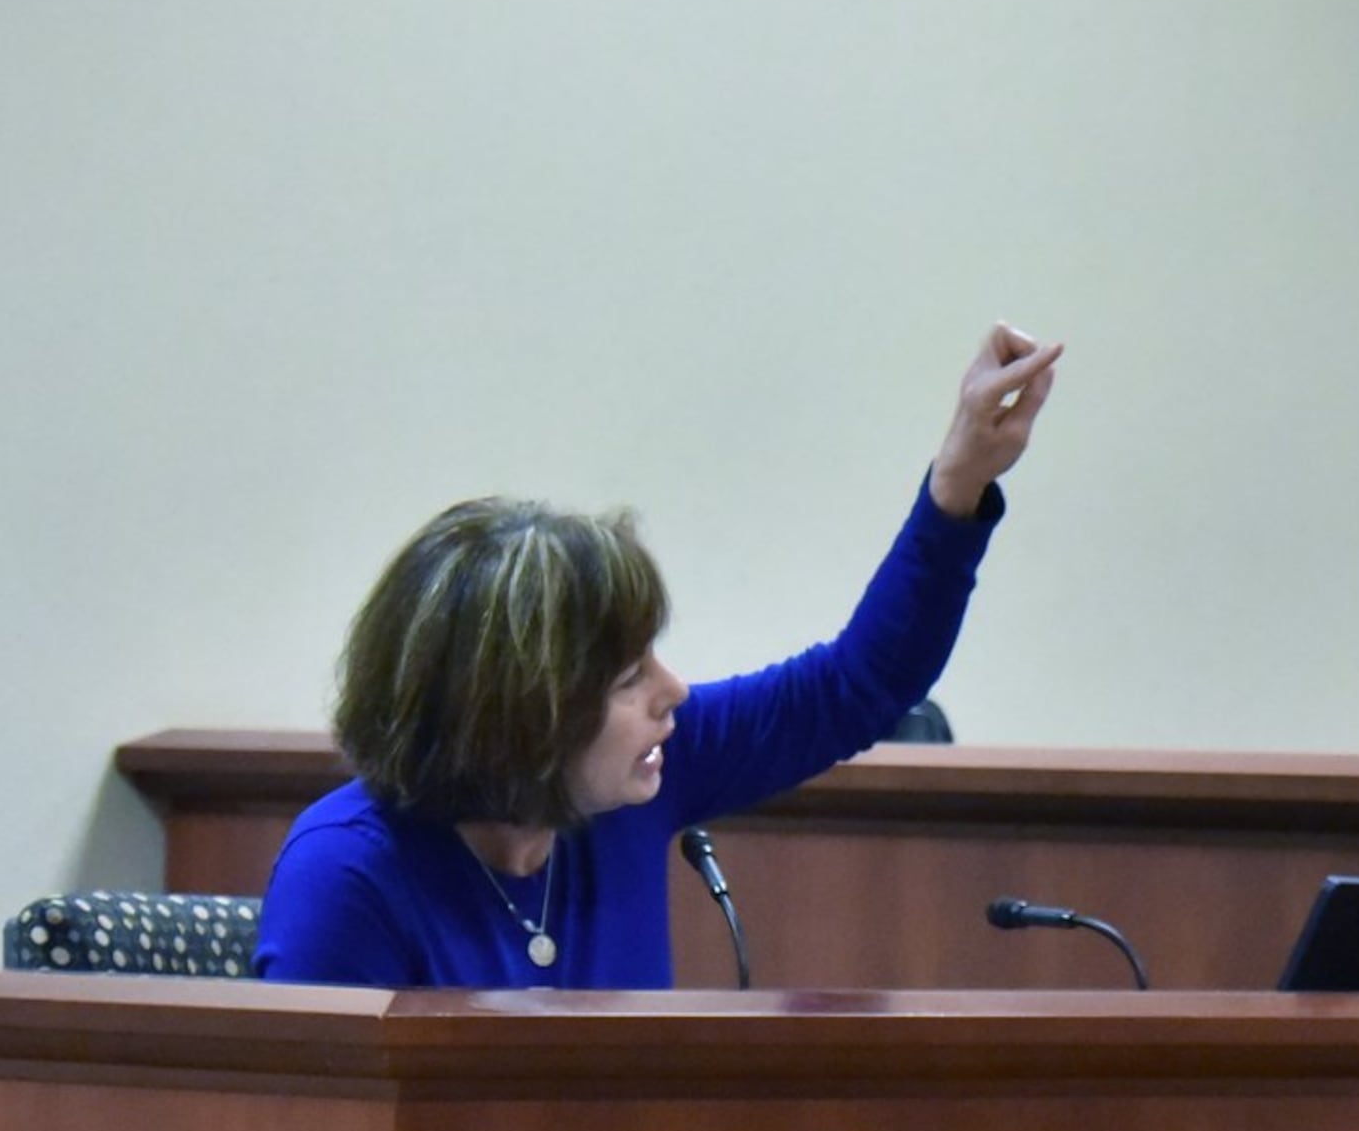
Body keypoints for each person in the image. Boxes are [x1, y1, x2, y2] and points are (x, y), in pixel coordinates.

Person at [257, 324, 1064, 986]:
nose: (673, 690)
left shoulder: (639, 780)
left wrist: (957, 487)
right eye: (626, 678)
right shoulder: (346, 876)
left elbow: (861, 684)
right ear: (522, 718)